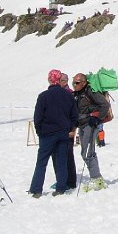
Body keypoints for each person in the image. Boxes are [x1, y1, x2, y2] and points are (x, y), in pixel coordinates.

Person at [29, 69, 78, 197]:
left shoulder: (43, 96)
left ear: (50, 80)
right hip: (63, 134)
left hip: (47, 134)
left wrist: (40, 131)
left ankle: (36, 189)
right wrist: (71, 129)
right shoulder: (69, 95)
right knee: (61, 161)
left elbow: (38, 117)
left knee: (41, 162)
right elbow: (74, 116)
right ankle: (61, 188)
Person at [72, 72, 110, 190]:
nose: (74, 85)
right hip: (82, 125)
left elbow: (105, 105)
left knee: (87, 152)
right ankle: (97, 179)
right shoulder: (78, 93)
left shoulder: (90, 91)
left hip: (90, 124)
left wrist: (97, 119)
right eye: (73, 82)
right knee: (88, 152)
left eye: (77, 83)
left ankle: (97, 179)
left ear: (84, 82)